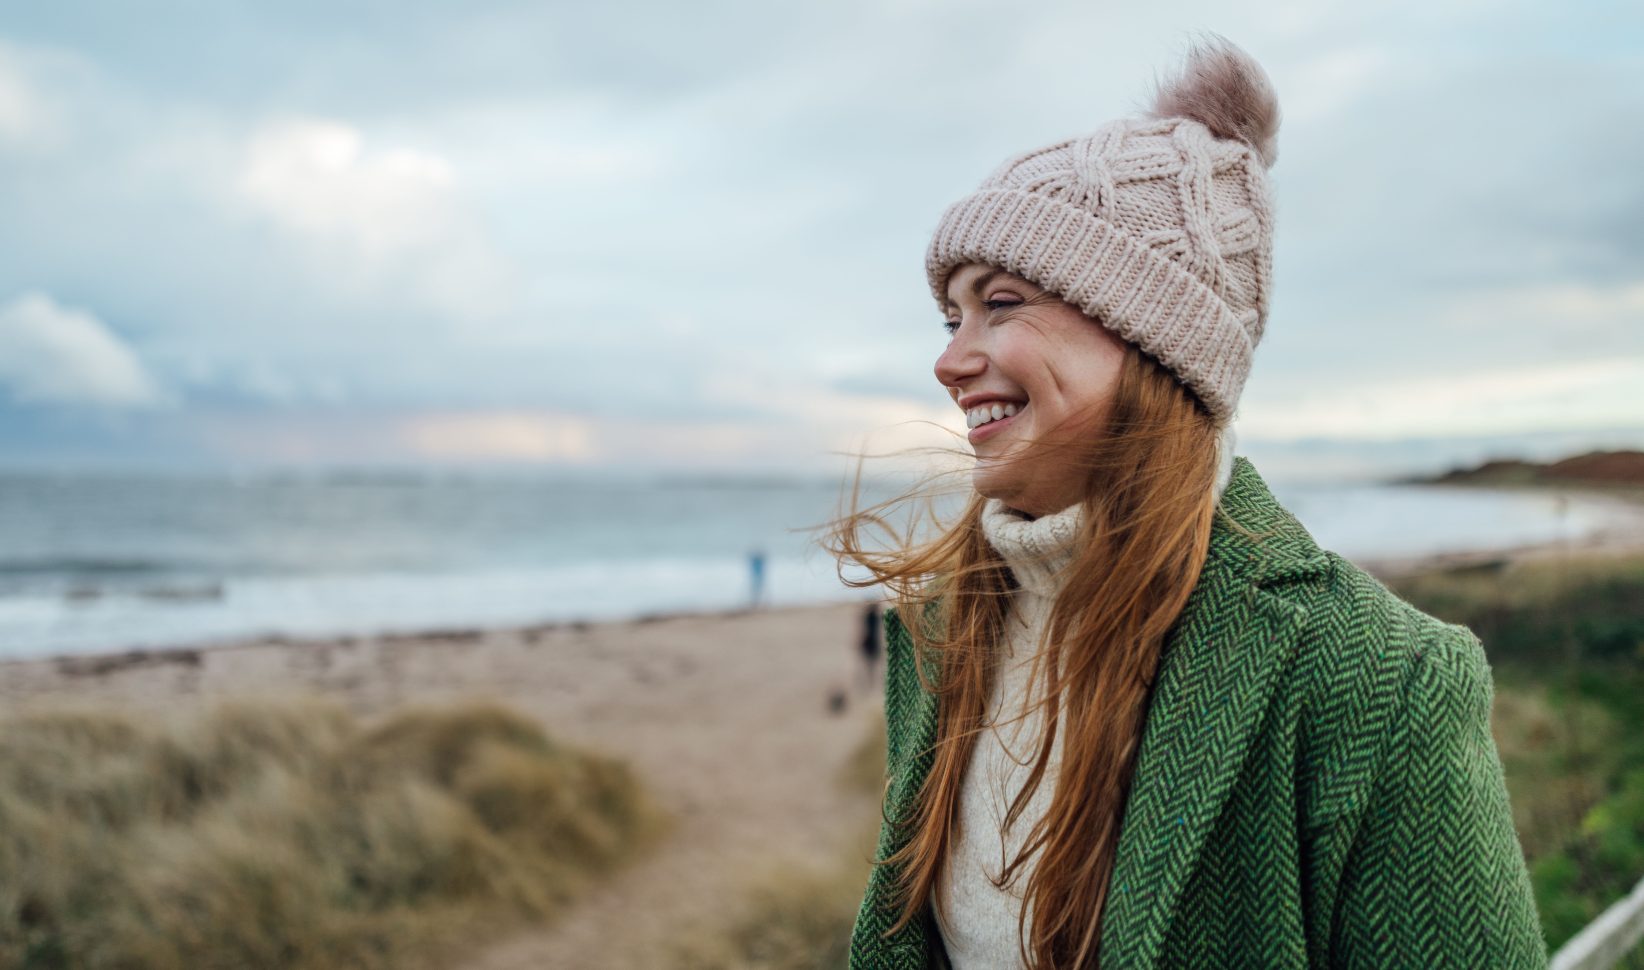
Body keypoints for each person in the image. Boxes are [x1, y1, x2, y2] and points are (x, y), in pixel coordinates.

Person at [827, 34, 1547, 969]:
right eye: (950, 315)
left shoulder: (1376, 681)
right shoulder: (938, 634)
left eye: (1000, 304)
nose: (950, 359)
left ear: (1154, 339)